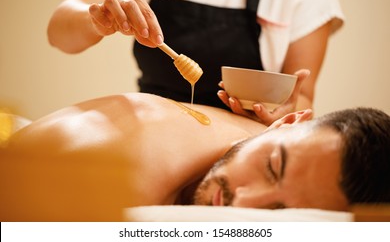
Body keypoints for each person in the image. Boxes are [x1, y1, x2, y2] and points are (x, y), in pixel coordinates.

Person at [1, 92, 389, 221]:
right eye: (272, 168)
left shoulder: (272, 138)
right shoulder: (126, 163)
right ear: (286, 122)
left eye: (278, 212)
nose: (245, 205)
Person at [47, 0, 344, 124]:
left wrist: (282, 112)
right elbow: (59, 32)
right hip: (150, 130)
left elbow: (303, 99)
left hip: (245, 143)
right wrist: (97, 19)